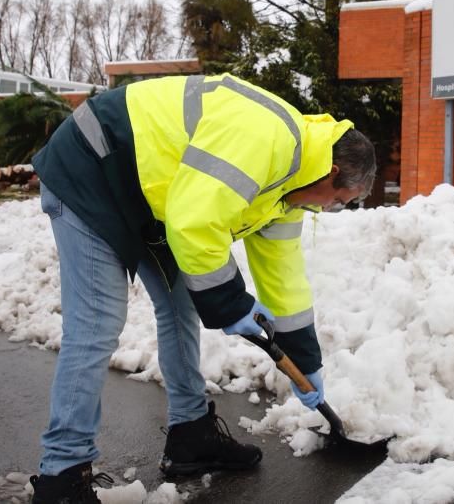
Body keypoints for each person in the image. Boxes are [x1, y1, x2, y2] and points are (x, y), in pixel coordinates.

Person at [27, 73, 376, 503]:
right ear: (333, 172)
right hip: (92, 167)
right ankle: (61, 474)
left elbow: (283, 277)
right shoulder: (267, 140)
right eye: (340, 200)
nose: (333, 208)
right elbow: (194, 222)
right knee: (97, 324)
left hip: (151, 197)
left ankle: (191, 437)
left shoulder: (290, 192)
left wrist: (306, 359)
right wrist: (230, 303)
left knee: (180, 311)